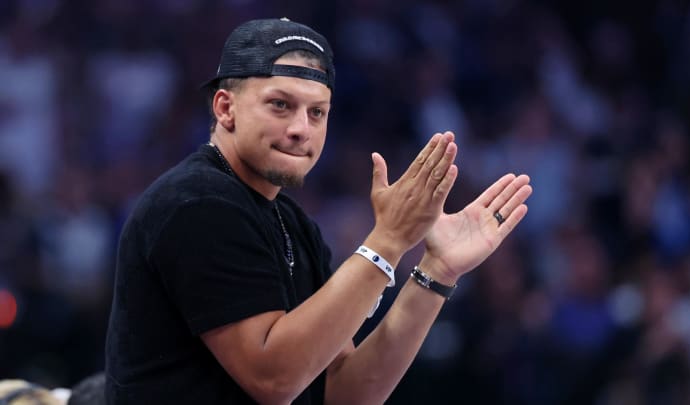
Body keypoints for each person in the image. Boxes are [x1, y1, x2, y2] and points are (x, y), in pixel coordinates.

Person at [104, 17, 532, 404]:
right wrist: (387, 241)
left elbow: (342, 394)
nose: (300, 129)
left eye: (317, 112)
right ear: (225, 108)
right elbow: (272, 380)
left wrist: (436, 273)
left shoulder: (293, 225)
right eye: (280, 105)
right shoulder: (195, 203)